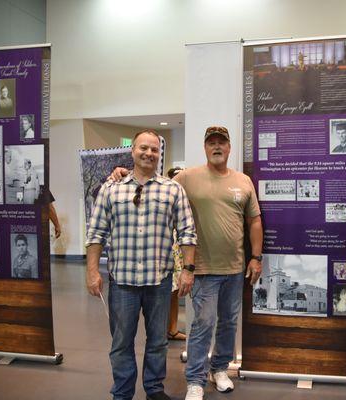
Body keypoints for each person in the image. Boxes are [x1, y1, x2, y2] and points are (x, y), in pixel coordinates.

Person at [112, 126, 263, 400]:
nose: (217, 147)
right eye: (211, 143)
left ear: (229, 148)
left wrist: (256, 256)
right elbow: (151, 182)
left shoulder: (243, 181)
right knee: (203, 324)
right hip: (203, 268)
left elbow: (254, 220)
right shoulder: (187, 178)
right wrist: (122, 172)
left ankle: (219, 369)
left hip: (236, 267)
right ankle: (195, 378)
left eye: (222, 143)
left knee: (228, 322)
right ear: (205, 148)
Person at [86, 130, 197, 400]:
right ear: (133, 151)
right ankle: (122, 392)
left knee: (158, 342)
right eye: (143, 148)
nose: (148, 153)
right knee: (121, 343)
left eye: (154, 149)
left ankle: (154, 390)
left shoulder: (173, 190)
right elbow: (95, 233)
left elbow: (187, 232)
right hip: (122, 282)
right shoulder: (111, 189)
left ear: (160, 153)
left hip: (158, 282)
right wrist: (91, 272)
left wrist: (188, 270)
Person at [166, 166, 187, 341]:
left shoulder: (185, 199)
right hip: (168, 251)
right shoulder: (165, 195)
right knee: (166, 292)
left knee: (174, 292)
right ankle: (166, 329)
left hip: (180, 250)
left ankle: (172, 329)